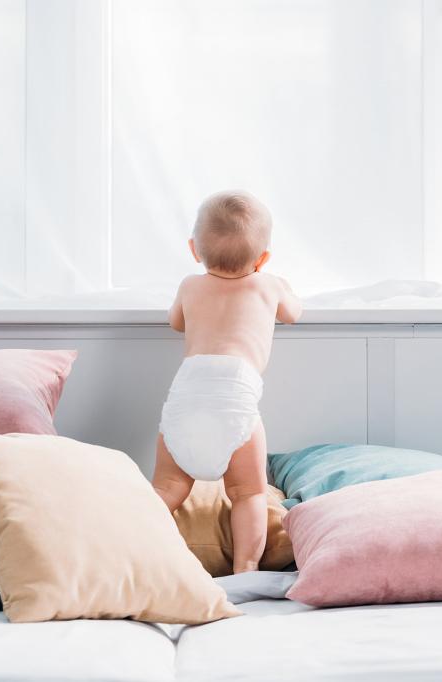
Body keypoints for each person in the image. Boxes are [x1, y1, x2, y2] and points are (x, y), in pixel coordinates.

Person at [152, 190, 302, 574]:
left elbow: (176, 322)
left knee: (166, 490)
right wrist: (281, 285)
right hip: (234, 396)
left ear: (193, 250)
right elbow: (293, 315)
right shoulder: (268, 285)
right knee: (248, 493)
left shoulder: (190, 286)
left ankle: (132, 551)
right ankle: (245, 570)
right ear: (264, 258)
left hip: (187, 393)